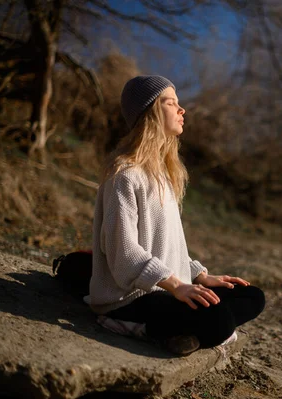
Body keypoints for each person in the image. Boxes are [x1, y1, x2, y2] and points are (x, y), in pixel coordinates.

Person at [85, 75, 265, 356]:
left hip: (166, 289)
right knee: (218, 321)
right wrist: (177, 285)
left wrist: (200, 276)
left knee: (252, 296)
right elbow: (123, 252)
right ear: (151, 114)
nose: (182, 110)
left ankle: (178, 333)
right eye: (171, 103)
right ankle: (127, 324)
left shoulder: (164, 175)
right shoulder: (125, 174)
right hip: (129, 297)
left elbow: (170, 247)